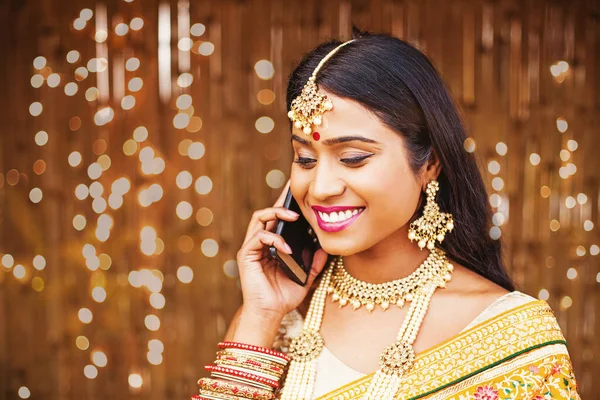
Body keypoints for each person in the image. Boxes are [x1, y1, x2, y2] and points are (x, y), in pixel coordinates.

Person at [192, 30, 580, 400]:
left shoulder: (512, 335)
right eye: (305, 159)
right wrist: (260, 313)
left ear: (430, 163)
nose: (322, 187)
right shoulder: (279, 315)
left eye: (353, 158)